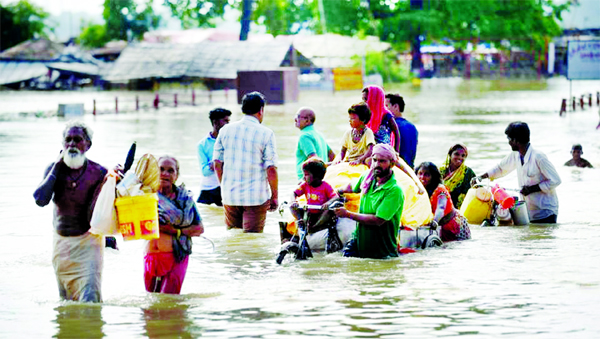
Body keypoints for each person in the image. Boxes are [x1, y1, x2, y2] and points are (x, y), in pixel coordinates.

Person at [33, 121, 107, 302]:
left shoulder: (99, 172)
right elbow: (40, 200)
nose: (72, 144)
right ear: (62, 144)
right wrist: (57, 168)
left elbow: (105, 211)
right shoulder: (53, 169)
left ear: (88, 145)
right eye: (68, 140)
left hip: (89, 244)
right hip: (61, 245)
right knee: (66, 301)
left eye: (77, 139)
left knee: (90, 301)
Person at [213, 91, 278, 233]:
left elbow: (217, 163)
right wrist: (274, 196)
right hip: (255, 197)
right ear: (261, 110)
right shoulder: (266, 133)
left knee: (234, 236)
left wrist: (223, 185)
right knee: (252, 239)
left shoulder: (225, 130)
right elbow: (271, 168)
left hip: (230, 195)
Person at [471, 121, 561, 223]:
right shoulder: (516, 155)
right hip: (529, 212)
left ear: (516, 140)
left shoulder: (538, 157)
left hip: (546, 211)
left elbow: (556, 180)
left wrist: (531, 189)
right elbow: (500, 168)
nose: (508, 142)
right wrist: (481, 177)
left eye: (509, 139)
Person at [145, 156, 204, 294]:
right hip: (151, 257)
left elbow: (199, 228)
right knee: (150, 306)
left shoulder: (185, 200)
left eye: (170, 170)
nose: (165, 174)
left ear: (176, 175)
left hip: (176, 256)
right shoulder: (144, 195)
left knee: (168, 301)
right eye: (161, 169)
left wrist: (175, 231)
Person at [334, 144, 404, 259]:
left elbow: (378, 220)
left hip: (382, 250)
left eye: (382, 161)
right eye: (374, 160)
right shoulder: (368, 178)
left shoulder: (394, 190)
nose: (377, 164)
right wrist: (337, 191)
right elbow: (352, 187)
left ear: (391, 164)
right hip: (359, 241)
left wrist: (347, 214)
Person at [416, 162, 471, 242]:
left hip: (452, 226)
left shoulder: (440, 189)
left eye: (426, 174)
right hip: (437, 225)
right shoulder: (418, 189)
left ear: (433, 176)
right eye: (420, 173)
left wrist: (435, 221)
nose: (422, 177)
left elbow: (441, 208)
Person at [290, 158, 339, 234]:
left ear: (316, 176)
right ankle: (300, 221)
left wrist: (328, 203)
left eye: (306, 175)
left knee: (329, 211)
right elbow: (293, 193)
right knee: (291, 206)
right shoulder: (305, 185)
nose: (303, 177)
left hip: (321, 212)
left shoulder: (325, 186)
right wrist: (293, 201)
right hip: (310, 212)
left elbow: (335, 197)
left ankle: (316, 226)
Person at [197, 108, 232, 206]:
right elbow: (205, 171)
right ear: (215, 122)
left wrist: (216, 164)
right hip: (208, 189)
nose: (228, 124)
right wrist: (217, 164)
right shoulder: (202, 145)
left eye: (228, 121)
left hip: (227, 188)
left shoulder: (232, 142)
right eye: (225, 121)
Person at [294, 107, 336, 181]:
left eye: (298, 116)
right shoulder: (319, 135)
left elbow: (314, 160)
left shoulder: (304, 136)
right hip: (322, 178)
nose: (295, 119)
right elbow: (332, 156)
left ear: (307, 121)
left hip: (308, 181)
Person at [362, 86, 401, 153]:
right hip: (368, 150)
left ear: (374, 99)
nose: (364, 102)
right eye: (363, 99)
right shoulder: (365, 114)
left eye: (366, 99)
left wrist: (396, 152)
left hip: (384, 150)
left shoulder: (386, 115)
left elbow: (396, 134)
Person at [385, 93, 419, 168]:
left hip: (397, 168)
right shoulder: (412, 126)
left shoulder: (391, 126)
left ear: (396, 106)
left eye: (386, 106)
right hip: (409, 168)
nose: (383, 110)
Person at [439, 144, 477, 209]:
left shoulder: (468, 172)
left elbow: (476, 189)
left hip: (459, 209)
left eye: (463, 156)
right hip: (440, 206)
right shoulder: (441, 171)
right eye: (456, 154)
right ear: (450, 155)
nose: (460, 157)